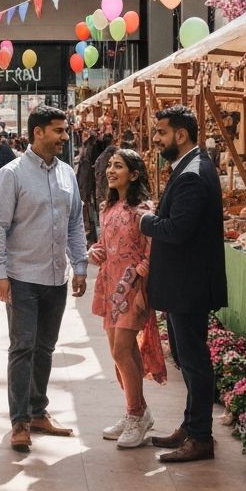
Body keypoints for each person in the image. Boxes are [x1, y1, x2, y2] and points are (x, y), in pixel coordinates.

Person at [0, 105, 88, 454]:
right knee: (22, 347)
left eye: (65, 130)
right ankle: (19, 421)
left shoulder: (67, 174)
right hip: (22, 277)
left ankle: (38, 411)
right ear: (38, 132)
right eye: (58, 130)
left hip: (55, 277)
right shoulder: (11, 174)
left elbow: (75, 222)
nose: (64, 136)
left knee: (45, 347)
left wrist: (80, 265)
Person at [139, 105, 227, 463]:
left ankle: (201, 436)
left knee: (193, 360)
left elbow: (177, 229)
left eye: (161, 132)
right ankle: (191, 427)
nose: (156, 139)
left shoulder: (192, 173)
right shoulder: (190, 167)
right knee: (187, 358)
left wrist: (146, 220)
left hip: (188, 285)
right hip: (184, 284)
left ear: (181, 134)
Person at [88, 149, 166, 449]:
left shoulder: (143, 210)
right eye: (109, 165)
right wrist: (95, 251)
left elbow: (152, 251)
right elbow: (104, 243)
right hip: (110, 287)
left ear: (133, 174)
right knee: (119, 352)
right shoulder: (109, 207)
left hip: (132, 289)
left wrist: (140, 285)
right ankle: (136, 410)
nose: (110, 170)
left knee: (122, 351)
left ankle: (136, 414)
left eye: (118, 166)